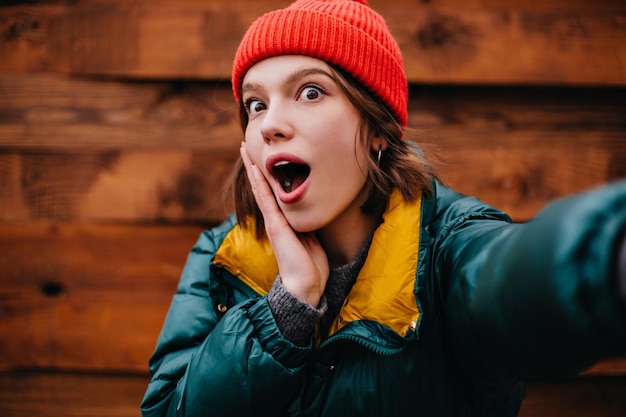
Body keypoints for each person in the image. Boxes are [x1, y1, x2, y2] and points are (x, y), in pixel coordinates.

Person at [140, 0, 626, 415]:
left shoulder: (446, 246)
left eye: (310, 92)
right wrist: (286, 308)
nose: (270, 124)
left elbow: (511, 281)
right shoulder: (221, 255)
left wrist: (607, 257)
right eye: (256, 104)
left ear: (376, 128)